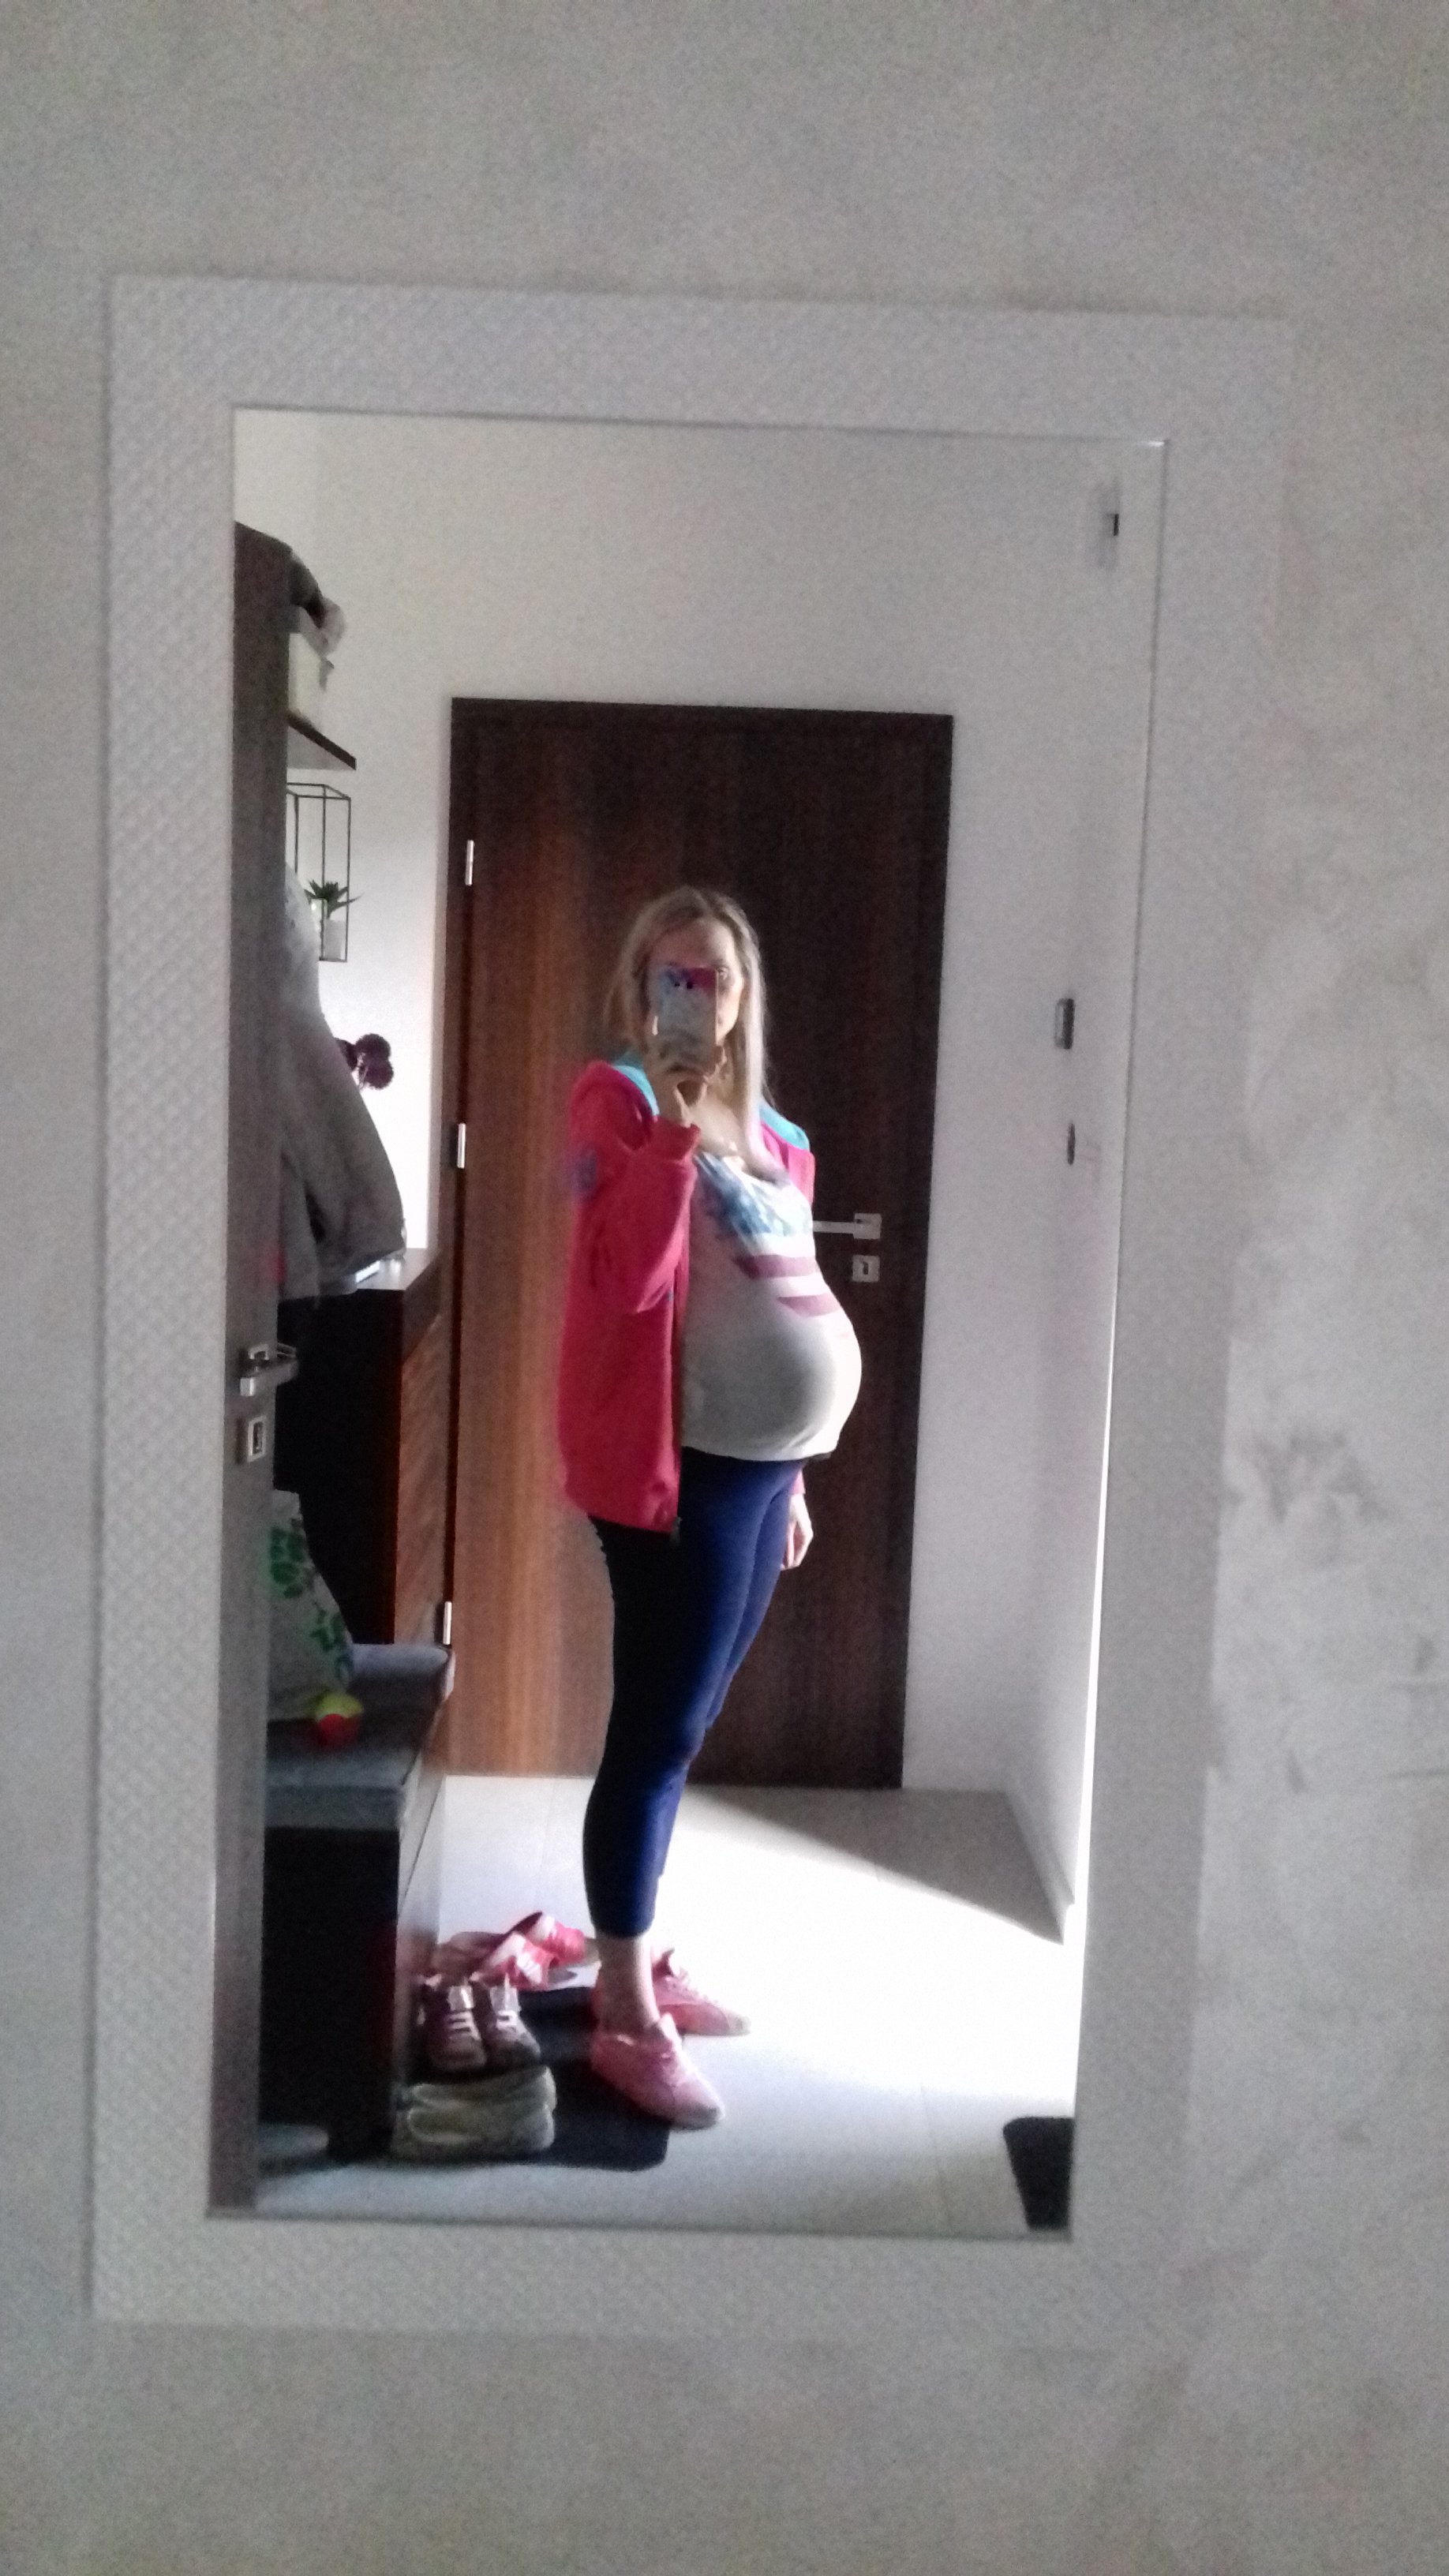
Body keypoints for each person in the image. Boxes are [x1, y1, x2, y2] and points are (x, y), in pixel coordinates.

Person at [556, 886, 863, 2125]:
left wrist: (793, 1475)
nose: (698, 995)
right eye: (674, 975)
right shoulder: (615, 1105)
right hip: (675, 1473)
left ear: (743, 997)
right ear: (642, 990)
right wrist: (674, 1137)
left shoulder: (779, 1134)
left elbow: (786, 1283)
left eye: (717, 977)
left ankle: (630, 1951)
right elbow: (626, 1281)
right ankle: (624, 2014)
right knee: (656, 1731)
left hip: (757, 1472)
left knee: (685, 1728)